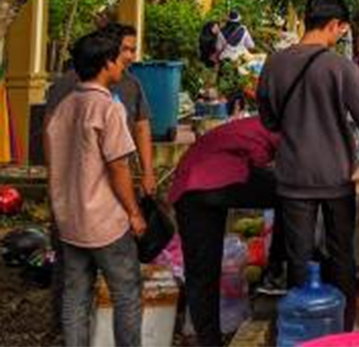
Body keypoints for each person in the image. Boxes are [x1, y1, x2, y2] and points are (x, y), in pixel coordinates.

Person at [257, 0, 359, 330]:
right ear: (332, 25)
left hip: (292, 175)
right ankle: (342, 328)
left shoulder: (273, 64)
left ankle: (305, 329)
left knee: (298, 257)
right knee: (340, 253)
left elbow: (269, 121)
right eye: (340, 30)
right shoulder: (339, 67)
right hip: (335, 174)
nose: (340, 36)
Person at [46, 31, 146, 347]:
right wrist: (134, 213)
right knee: (127, 292)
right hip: (105, 221)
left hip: (70, 217)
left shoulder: (65, 107)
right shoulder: (107, 108)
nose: (124, 64)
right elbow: (118, 168)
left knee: (75, 295)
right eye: (121, 57)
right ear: (107, 63)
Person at [170, 117, 288, 346]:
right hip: (215, 179)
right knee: (289, 192)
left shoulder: (251, 124)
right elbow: (290, 171)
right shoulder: (282, 126)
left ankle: (208, 341)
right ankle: (277, 267)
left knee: (201, 273)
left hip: (187, 190)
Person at [45, 22, 157, 196]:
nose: (130, 56)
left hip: (114, 179)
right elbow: (49, 129)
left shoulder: (131, 84)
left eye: (133, 50)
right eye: (125, 49)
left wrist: (148, 172)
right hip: (78, 175)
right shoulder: (67, 86)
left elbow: (141, 127)